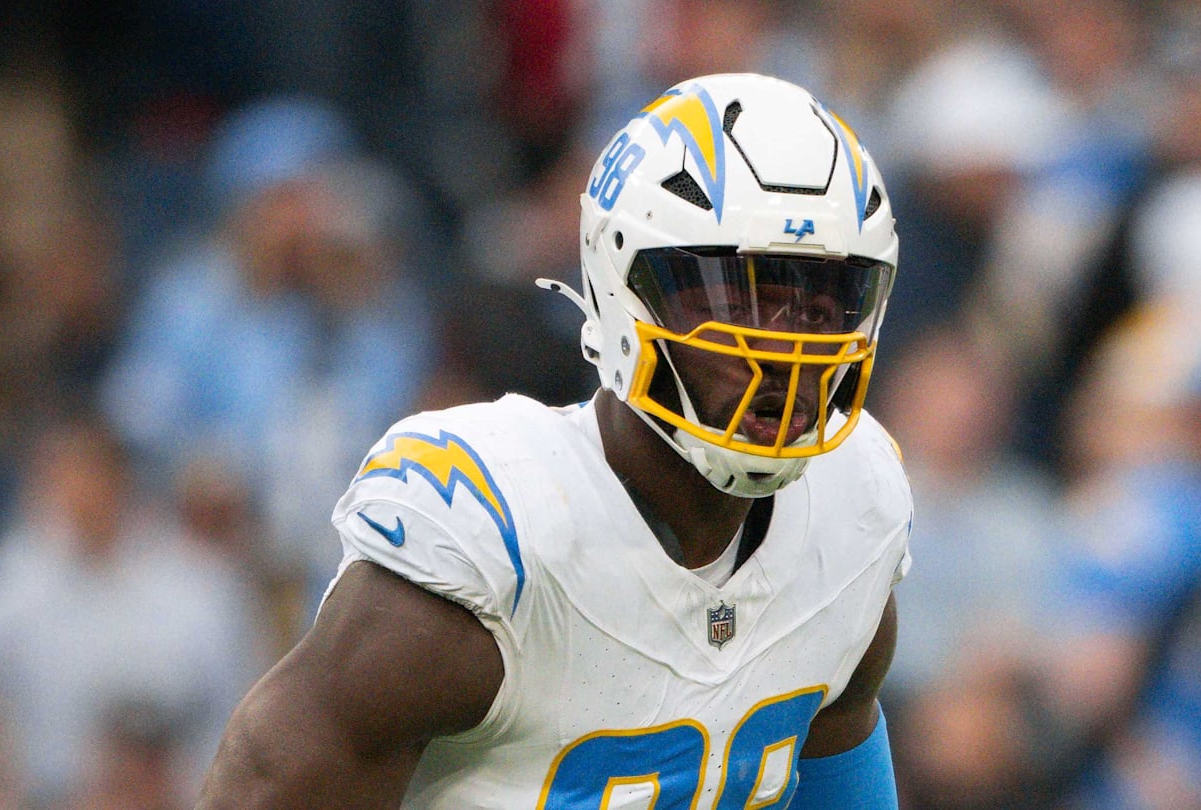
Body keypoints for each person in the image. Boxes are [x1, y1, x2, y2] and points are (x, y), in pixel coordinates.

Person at [198, 72, 911, 808]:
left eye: (825, 301)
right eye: (738, 296)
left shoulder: (850, 514)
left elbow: (843, 755)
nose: (784, 348)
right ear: (623, 286)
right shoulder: (500, 548)